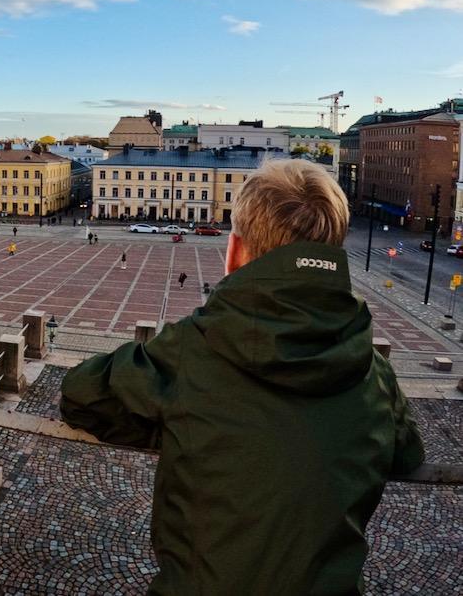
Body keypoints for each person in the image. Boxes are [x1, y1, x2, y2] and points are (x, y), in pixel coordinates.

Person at [59, 160, 424, 596]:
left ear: (235, 251)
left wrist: (178, 430)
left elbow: (80, 394)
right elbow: (407, 455)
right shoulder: (374, 371)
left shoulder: (194, 348)